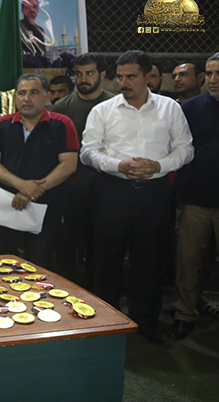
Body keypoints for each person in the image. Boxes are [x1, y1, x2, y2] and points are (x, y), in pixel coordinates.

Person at [81, 50, 194, 346]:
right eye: (120, 77)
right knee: (106, 261)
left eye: (131, 76)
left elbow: (185, 149)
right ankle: (106, 324)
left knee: (149, 261)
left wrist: (159, 166)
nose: (124, 83)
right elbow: (88, 152)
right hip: (112, 193)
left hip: (155, 195)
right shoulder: (103, 110)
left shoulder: (170, 108)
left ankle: (145, 323)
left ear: (148, 76)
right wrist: (117, 166)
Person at [0, 73, 79, 265]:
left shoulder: (63, 124)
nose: (26, 98)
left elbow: (69, 165)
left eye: (34, 92)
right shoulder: (1, 125)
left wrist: (32, 192)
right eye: (21, 93)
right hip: (5, 208)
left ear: (47, 96)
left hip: (45, 208)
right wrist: (22, 185)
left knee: (39, 266)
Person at [51, 53, 115, 289]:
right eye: (78, 74)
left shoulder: (116, 105)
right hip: (71, 187)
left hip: (108, 187)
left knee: (101, 247)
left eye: (89, 73)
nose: (83, 79)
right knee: (68, 246)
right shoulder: (61, 108)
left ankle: (97, 297)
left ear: (102, 74)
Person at [169, 52, 219, 340]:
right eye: (209, 73)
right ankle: (184, 314)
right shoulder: (189, 109)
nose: (213, 79)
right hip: (195, 199)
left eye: (218, 73)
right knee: (188, 262)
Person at [20, 0, 49, 68]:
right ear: (22, 10)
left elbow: (42, 54)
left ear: (38, 10)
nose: (31, 9)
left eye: (34, 6)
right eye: (28, 7)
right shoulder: (17, 27)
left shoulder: (40, 30)